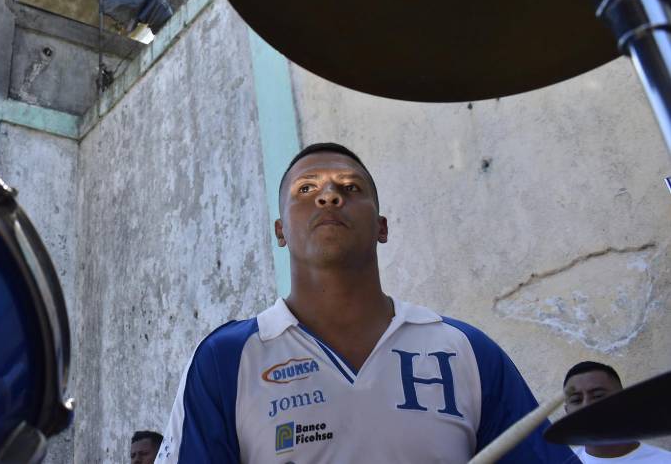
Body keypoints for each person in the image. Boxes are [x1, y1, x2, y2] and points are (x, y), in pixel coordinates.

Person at [155, 143, 576, 463]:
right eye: (306, 189)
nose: (329, 196)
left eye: (350, 187)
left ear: (381, 227)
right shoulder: (226, 359)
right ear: (280, 231)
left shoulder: (466, 350)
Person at [563, 361, 671, 463]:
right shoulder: (561, 460)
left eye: (598, 396)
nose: (586, 406)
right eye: (576, 400)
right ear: (567, 412)